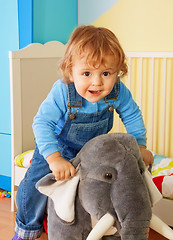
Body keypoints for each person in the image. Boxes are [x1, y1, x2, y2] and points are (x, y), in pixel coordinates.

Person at [12, 25, 154, 240]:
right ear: (71, 71)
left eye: (106, 73)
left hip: (94, 151)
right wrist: (54, 158)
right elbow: (42, 123)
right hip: (58, 147)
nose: (97, 82)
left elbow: (132, 115)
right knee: (35, 182)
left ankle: (101, 226)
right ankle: (27, 229)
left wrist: (140, 147)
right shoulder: (62, 91)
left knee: (120, 178)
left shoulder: (118, 91)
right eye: (86, 73)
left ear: (118, 71)